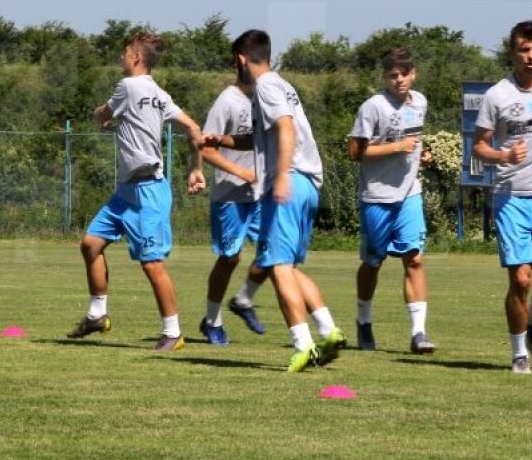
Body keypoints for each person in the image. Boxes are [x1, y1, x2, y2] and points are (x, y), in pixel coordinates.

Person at [205, 30, 344, 372]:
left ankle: (303, 345)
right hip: (307, 182)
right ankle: (328, 329)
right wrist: (222, 139)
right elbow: (260, 136)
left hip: (290, 181)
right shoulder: (281, 85)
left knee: (277, 265)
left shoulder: (265, 87)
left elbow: (285, 127)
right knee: (287, 266)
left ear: (241, 59)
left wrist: (280, 175)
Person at [67, 32, 206, 351]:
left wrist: (101, 115)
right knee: (90, 244)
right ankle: (97, 315)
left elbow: (104, 113)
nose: (120, 58)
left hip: (148, 193)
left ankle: (173, 333)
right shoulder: (159, 93)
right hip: (125, 194)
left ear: (135, 58)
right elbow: (194, 127)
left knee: (151, 263)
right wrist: (196, 167)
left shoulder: (127, 87)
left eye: (123, 52)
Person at [472, 21, 532, 375]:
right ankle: (518, 355)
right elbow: (479, 145)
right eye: (523, 50)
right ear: (512, 53)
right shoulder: (497, 96)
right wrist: (503, 156)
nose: (530, 57)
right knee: (521, 280)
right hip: (511, 197)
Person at [348, 47, 435, 354]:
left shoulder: (420, 102)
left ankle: (419, 333)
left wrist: (420, 155)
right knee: (373, 262)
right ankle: (363, 321)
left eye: (404, 74)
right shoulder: (373, 107)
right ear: (384, 77)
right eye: (392, 75)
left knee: (415, 258)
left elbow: (414, 142)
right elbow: (355, 153)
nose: (399, 80)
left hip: (410, 193)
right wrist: (398, 147)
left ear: (414, 74)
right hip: (377, 196)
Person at [197, 36, 269, 345]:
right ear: (243, 60)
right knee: (230, 258)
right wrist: (241, 172)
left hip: (262, 193)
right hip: (229, 195)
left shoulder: (268, 98)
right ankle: (212, 321)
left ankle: (243, 299)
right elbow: (206, 147)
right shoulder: (227, 101)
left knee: (273, 253)